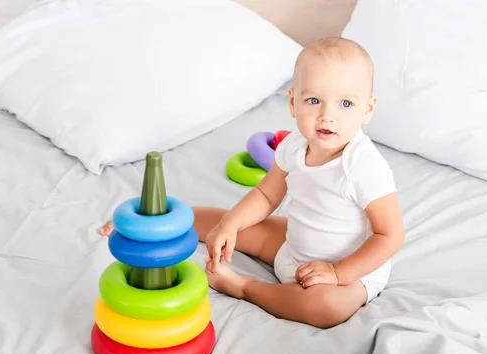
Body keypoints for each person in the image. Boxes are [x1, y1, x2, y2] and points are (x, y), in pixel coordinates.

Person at [100, 37, 404, 329]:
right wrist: (231, 224)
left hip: (351, 269)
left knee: (325, 307)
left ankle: (245, 287)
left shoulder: (364, 166)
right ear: (293, 103)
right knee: (228, 224)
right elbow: (265, 195)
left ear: (368, 109)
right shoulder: (295, 144)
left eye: (346, 104)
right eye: (314, 100)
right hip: (294, 243)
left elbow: (389, 235)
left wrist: (337, 273)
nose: (327, 115)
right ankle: (157, 223)